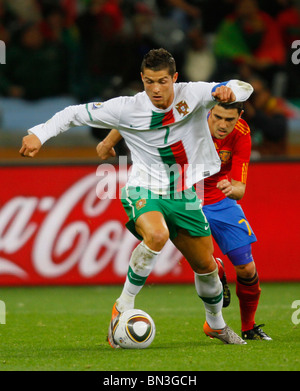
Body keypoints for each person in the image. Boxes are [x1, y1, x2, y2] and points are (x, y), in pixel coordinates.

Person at [19, 48, 253, 346]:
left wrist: (226, 89)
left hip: (184, 193)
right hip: (144, 187)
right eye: (150, 81)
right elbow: (73, 113)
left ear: (175, 79)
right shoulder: (127, 108)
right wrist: (40, 133)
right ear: (142, 79)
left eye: (163, 81)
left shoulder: (193, 94)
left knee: (207, 267)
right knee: (156, 235)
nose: (156, 89)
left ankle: (216, 324)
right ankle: (124, 303)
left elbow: (242, 88)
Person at [203, 102, 272, 340]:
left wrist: (231, 188)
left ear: (239, 116)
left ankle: (249, 327)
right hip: (184, 199)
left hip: (218, 199)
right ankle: (216, 269)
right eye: (218, 117)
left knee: (246, 267)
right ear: (209, 111)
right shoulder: (190, 122)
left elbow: (240, 189)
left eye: (229, 120)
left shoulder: (242, 132)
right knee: (202, 262)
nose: (223, 125)